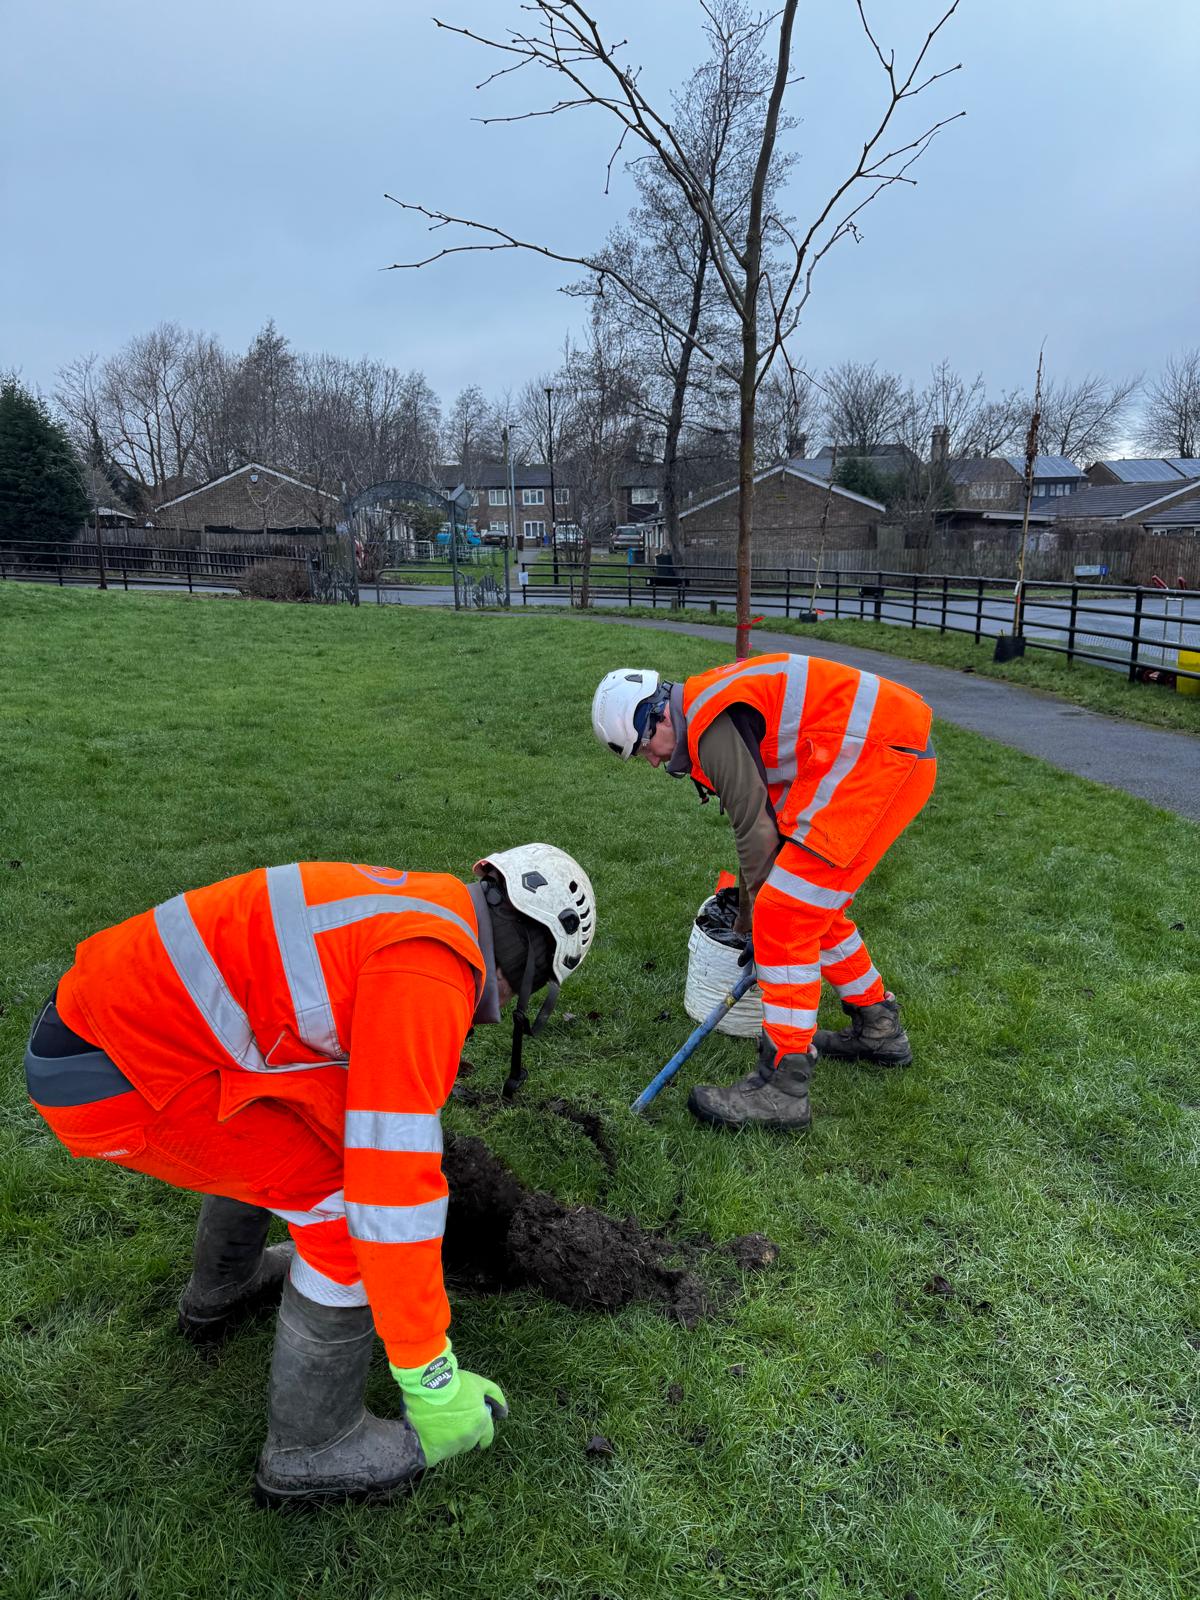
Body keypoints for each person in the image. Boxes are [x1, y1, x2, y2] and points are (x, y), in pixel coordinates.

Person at [24, 847, 595, 1506]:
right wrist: (430, 1376)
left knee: (305, 1128)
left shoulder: (429, 907)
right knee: (341, 1211)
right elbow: (388, 1192)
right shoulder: (431, 969)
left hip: (102, 1028)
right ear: (528, 961)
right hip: (117, 1074)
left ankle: (225, 1288)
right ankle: (312, 1449)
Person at [592, 656, 935, 1132]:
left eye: (645, 748)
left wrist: (759, 924)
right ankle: (878, 1026)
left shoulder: (710, 724)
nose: (652, 761)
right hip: (875, 753)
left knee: (785, 915)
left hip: (877, 757)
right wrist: (752, 909)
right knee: (811, 907)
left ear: (659, 717)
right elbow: (760, 823)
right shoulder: (708, 707)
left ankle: (784, 1087)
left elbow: (754, 829)